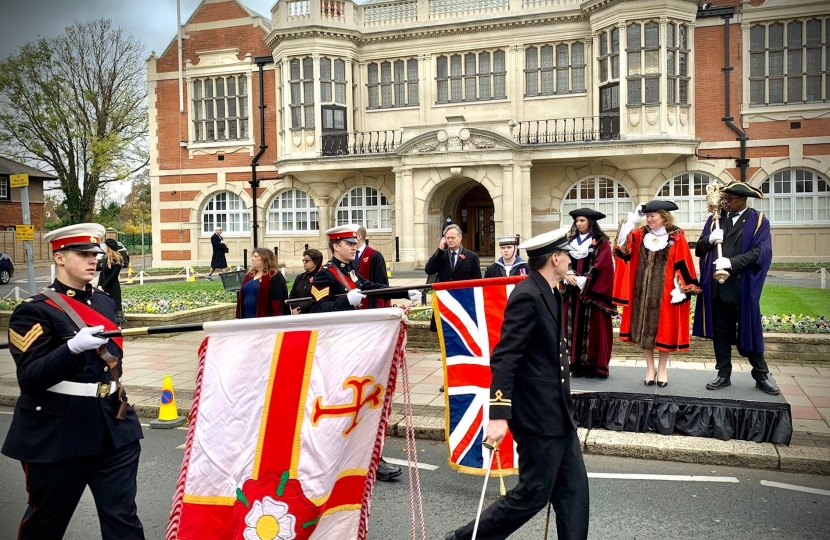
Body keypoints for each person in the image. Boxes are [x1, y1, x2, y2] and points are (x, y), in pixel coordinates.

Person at [444, 227, 589, 540]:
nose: (570, 259)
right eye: (566, 254)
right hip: (537, 415)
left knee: (574, 494)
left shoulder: (550, 290)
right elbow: (505, 358)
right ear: (554, 258)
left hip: (559, 413)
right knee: (532, 495)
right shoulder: (527, 295)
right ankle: (463, 538)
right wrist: (498, 415)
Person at [2, 223, 145, 540]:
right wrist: (71, 348)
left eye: (94, 253)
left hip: (113, 425)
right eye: (82, 254)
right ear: (60, 258)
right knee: (47, 523)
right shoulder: (33, 311)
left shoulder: (105, 302)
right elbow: (30, 378)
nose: (92, 260)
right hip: (59, 431)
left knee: (123, 521)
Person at [309, 224, 422, 482]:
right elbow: (316, 312)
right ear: (336, 246)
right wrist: (344, 302)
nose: (354, 246)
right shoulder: (326, 274)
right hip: (338, 350)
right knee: (348, 406)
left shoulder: (349, 270)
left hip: (354, 346)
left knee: (363, 404)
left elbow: (371, 286)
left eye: (354, 243)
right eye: (349, 244)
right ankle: (343, 457)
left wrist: (405, 291)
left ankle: (368, 458)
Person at [693, 181, 779, 395]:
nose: (724, 203)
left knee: (749, 330)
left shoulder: (758, 221)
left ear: (742, 200)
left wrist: (732, 263)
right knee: (721, 332)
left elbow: (761, 252)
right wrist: (710, 240)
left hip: (740, 287)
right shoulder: (715, 220)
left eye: (729, 199)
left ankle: (761, 375)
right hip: (717, 287)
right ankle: (723, 374)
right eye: (724, 199)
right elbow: (700, 249)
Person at [613, 200, 700, 387]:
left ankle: (662, 369)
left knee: (664, 332)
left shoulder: (676, 236)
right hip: (641, 293)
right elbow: (622, 248)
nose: (649, 219)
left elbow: (683, 261)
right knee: (644, 333)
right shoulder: (638, 234)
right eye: (647, 216)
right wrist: (631, 222)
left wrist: (681, 287)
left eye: (653, 216)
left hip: (665, 293)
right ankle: (649, 368)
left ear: (664, 217)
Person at [562, 208, 615, 378]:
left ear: (591, 222)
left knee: (593, 328)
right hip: (572, 294)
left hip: (591, 294)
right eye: (577, 221)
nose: (578, 224)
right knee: (571, 326)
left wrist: (586, 280)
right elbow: (562, 260)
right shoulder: (570, 241)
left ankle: (593, 367)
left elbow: (604, 265)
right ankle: (575, 365)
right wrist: (567, 273)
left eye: (582, 221)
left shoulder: (601, 242)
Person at [424, 224, 482, 332]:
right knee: (446, 334)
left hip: (463, 302)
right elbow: (429, 270)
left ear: (460, 238)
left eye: (453, 238)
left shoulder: (472, 257)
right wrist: (440, 249)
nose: (450, 240)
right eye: (447, 238)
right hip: (445, 301)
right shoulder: (441, 255)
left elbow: (478, 282)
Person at [235, 248, 290, 319]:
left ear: (265, 259)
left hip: (264, 317)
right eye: (252, 256)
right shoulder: (250, 275)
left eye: (256, 257)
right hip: (246, 316)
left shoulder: (274, 275)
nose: (252, 259)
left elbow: (278, 301)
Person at [354, 225, 392, 309]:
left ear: (359, 236)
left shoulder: (374, 255)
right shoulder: (348, 255)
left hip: (371, 302)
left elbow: (382, 282)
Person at [99, 238, 126, 324]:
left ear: (109, 247)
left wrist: (103, 286)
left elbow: (113, 276)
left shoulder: (117, 259)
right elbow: (102, 273)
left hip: (113, 287)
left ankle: (116, 326)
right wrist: (99, 285)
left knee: (114, 306)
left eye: (105, 246)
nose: (103, 247)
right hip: (103, 287)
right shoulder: (104, 257)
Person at [289, 248, 323, 315]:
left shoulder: (321, 277)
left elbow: (316, 298)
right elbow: (292, 296)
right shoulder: (300, 277)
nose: (304, 262)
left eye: (307, 260)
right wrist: (295, 309)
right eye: (303, 260)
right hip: (297, 314)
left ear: (315, 263)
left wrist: (300, 309)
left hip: (313, 313)